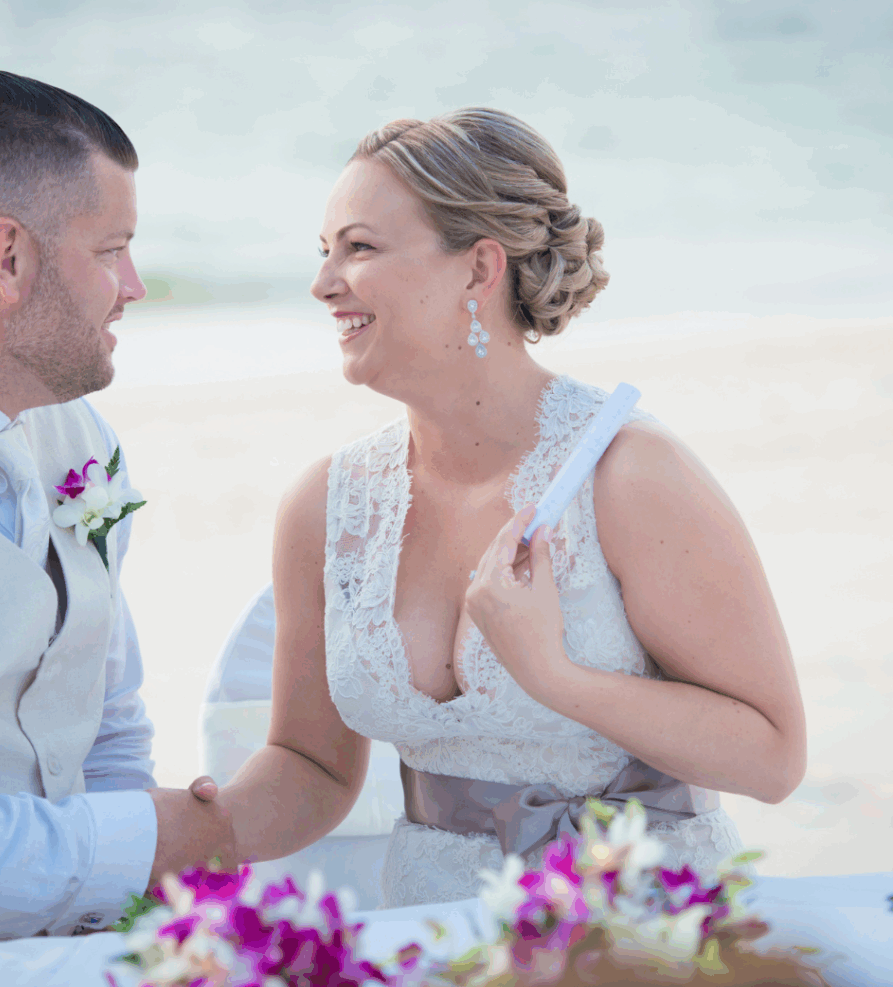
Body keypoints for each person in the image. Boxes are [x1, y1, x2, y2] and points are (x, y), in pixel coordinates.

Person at [191, 108, 808, 908]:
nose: (323, 283)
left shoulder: (630, 475)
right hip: (430, 931)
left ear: (480, 269)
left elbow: (772, 758)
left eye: (360, 247)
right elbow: (310, 766)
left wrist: (553, 674)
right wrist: (184, 833)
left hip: (645, 932)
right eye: (324, 253)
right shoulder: (327, 505)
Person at [0, 69, 226, 954]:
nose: (134, 285)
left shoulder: (79, 429)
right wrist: (148, 840)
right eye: (110, 250)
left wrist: (124, 921)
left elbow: (106, 716)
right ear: (9, 257)